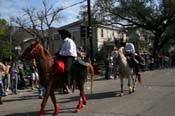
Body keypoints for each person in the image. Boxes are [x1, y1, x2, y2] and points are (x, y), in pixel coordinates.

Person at [58, 29, 77, 94]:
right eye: (61, 35)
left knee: (66, 70)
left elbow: (70, 51)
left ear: (65, 34)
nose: (61, 36)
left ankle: (68, 84)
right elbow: (60, 51)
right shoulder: (63, 42)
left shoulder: (69, 41)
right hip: (63, 57)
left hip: (69, 57)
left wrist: (60, 53)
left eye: (62, 34)